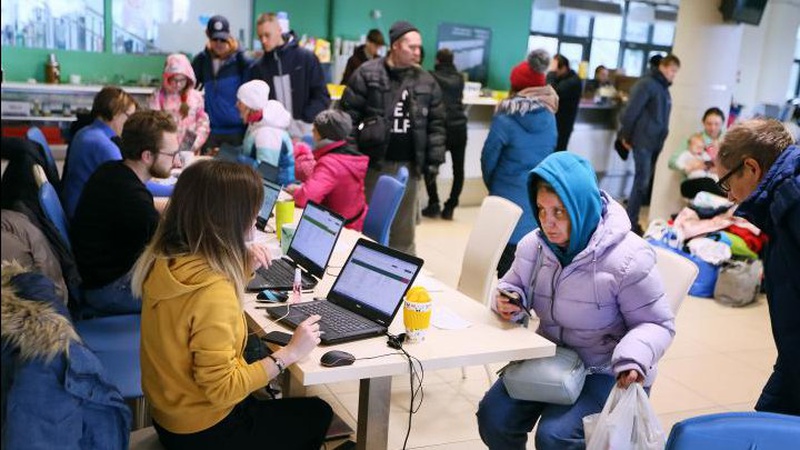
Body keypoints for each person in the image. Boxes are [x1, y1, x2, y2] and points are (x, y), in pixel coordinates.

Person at [476, 152, 675, 449]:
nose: (548, 223)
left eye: (559, 212)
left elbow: (656, 323)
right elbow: (513, 284)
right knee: (494, 416)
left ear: (581, 207)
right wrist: (510, 299)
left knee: (555, 436)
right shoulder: (535, 245)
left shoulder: (629, 257)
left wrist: (633, 357)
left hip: (606, 369)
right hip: (551, 358)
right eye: (542, 211)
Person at [132, 160, 333, 449]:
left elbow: (197, 315)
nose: (256, 221)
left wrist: (242, 268)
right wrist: (289, 354)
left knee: (261, 379)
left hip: (170, 416)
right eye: (252, 214)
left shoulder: (164, 259)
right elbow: (222, 389)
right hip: (204, 431)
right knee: (318, 413)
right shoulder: (214, 291)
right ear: (230, 220)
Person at [714, 119, 799, 416]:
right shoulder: (783, 201)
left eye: (727, 183)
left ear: (751, 168)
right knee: (767, 422)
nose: (729, 196)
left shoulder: (794, 201)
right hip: (792, 357)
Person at [340, 20, 446, 255]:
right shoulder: (368, 74)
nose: (418, 52)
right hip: (374, 165)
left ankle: (400, 281)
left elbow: (437, 125)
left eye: (419, 47)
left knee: (403, 233)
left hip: (410, 167)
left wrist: (433, 164)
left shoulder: (426, 81)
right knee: (369, 229)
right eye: (412, 47)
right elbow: (346, 116)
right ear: (396, 46)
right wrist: (354, 158)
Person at [71, 110, 181, 316]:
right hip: (107, 290)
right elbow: (174, 248)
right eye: (172, 155)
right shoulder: (133, 201)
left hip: (95, 274)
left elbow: (147, 204)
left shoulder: (113, 171)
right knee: (190, 290)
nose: (177, 163)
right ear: (147, 156)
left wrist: (182, 206)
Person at [482, 49, 558, 276]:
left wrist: (494, 185)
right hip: (535, 203)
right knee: (527, 268)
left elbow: (488, 159)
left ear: (516, 87)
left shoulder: (505, 118)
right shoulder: (550, 117)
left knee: (502, 268)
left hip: (504, 199)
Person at [618, 54, 681, 235]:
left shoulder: (662, 88)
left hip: (654, 142)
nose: (673, 75)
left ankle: (632, 219)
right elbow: (630, 112)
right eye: (672, 71)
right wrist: (626, 137)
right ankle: (630, 221)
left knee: (643, 183)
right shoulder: (647, 84)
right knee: (641, 182)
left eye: (675, 72)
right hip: (643, 141)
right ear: (663, 66)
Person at [247, 12, 331, 138]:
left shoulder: (306, 58)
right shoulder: (259, 67)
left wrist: (305, 119)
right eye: (260, 37)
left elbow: (321, 95)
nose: (263, 40)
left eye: (267, 35)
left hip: (306, 131)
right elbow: (256, 104)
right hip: (273, 134)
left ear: (279, 30)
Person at [61, 86, 137, 219]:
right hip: (85, 218)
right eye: (130, 117)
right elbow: (133, 184)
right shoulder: (103, 145)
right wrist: (175, 186)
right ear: (115, 112)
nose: (130, 123)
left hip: (73, 209)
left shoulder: (84, 132)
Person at [286, 110, 369, 231]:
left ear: (322, 135)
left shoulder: (330, 164)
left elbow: (305, 199)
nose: (312, 133)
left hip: (342, 230)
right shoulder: (347, 155)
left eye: (314, 130)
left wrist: (296, 192)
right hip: (353, 220)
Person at [192, 15, 252, 153]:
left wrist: (242, 52)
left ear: (229, 36)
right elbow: (190, 85)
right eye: (215, 39)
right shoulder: (202, 60)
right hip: (211, 130)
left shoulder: (240, 60)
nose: (219, 43)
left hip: (236, 131)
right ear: (208, 36)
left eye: (223, 39)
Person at [422, 48, 468, 220]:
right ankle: (450, 207)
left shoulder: (430, 76)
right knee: (459, 170)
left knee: (431, 165)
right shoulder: (460, 78)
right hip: (459, 127)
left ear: (437, 60)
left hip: (439, 127)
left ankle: (433, 203)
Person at [236, 80, 295, 185]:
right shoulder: (257, 123)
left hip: (279, 195)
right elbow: (250, 151)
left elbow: (267, 171)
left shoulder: (267, 133)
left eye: (240, 102)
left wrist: (236, 159)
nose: (236, 105)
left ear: (249, 106)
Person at [149, 53, 210, 155]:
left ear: (189, 78)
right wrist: (166, 146)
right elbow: (153, 124)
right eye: (174, 80)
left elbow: (202, 122)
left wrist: (188, 146)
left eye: (182, 80)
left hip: (190, 149)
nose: (178, 84)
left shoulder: (195, 97)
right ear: (167, 78)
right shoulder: (159, 96)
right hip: (165, 149)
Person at [546, 54, 582, 152]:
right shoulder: (561, 78)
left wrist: (551, 73)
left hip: (563, 126)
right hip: (554, 123)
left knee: (557, 153)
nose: (554, 72)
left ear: (564, 68)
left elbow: (552, 93)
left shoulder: (573, 81)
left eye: (555, 69)